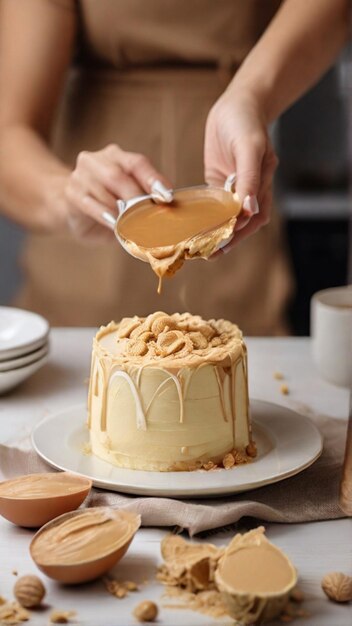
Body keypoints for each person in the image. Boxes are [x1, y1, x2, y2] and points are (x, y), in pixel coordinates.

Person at [0, 0, 349, 331]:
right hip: (83, 266)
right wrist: (67, 194)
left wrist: (250, 95)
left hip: (237, 250)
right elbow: (9, 134)